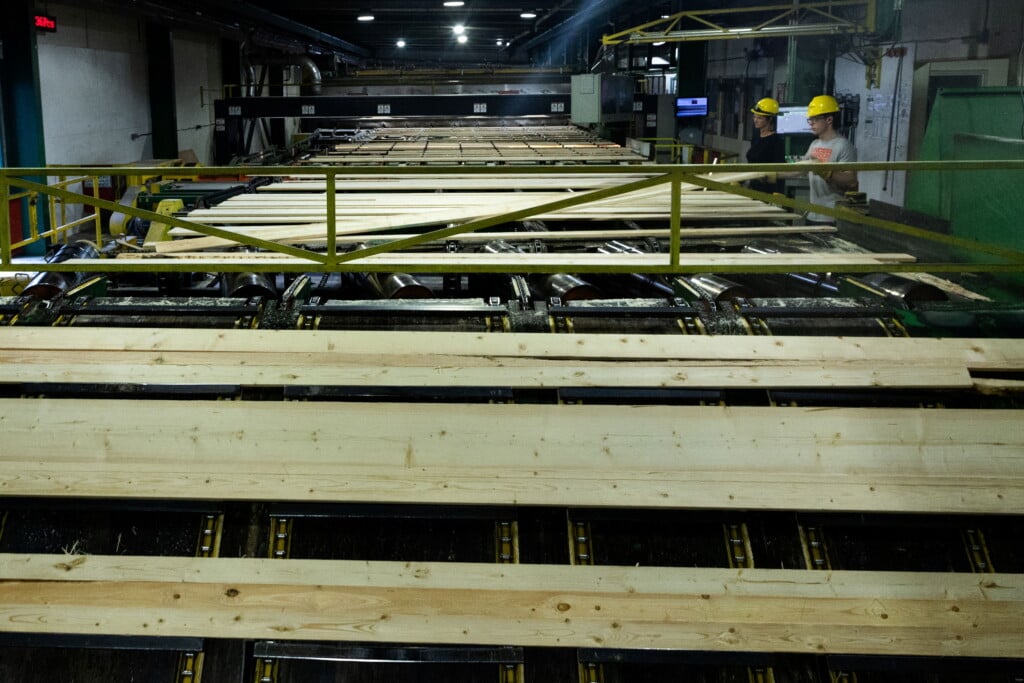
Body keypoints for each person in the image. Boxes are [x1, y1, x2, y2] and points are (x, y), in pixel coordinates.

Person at [800, 94, 858, 223]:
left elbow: (851, 180)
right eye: (810, 119)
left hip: (831, 217)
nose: (811, 123)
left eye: (815, 119)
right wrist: (772, 173)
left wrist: (826, 172)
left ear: (829, 120)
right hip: (812, 215)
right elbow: (800, 169)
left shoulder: (843, 146)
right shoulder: (814, 144)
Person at [746, 97, 785, 194]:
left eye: (760, 118)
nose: (755, 120)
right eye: (754, 116)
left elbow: (780, 170)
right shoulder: (756, 136)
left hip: (768, 191)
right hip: (753, 187)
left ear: (770, 119)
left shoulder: (776, 141)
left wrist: (778, 193)